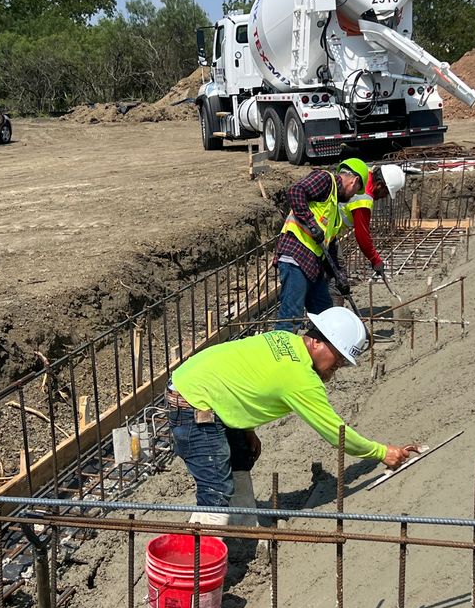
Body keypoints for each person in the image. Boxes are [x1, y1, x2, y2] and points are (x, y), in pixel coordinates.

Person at [167, 306, 419, 526]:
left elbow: (243, 377)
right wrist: (381, 452)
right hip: (194, 404)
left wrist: (247, 429)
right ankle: (195, 558)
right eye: (339, 356)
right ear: (317, 342)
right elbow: (336, 434)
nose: (339, 365)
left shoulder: (284, 339)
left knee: (240, 458)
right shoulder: (301, 378)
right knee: (216, 491)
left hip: (198, 385)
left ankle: (243, 533)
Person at [274, 159, 407, 331]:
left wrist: (338, 276)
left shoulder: (335, 207)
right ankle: (282, 347)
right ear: (354, 181)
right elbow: (295, 191)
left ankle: (324, 344)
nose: (353, 196)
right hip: (296, 256)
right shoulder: (326, 179)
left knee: (325, 315)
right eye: (355, 190)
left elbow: (330, 243)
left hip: (312, 263)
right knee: (291, 317)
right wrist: (311, 224)